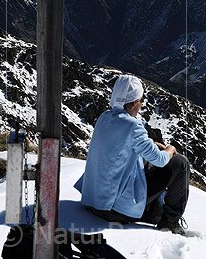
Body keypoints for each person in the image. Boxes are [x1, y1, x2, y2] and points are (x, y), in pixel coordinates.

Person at [69, 76, 161, 230]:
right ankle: (169, 222)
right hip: (114, 211)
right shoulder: (133, 125)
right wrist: (170, 150)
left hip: (92, 202)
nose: (142, 104)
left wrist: (150, 143)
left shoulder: (105, 117)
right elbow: (160, 160)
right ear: (134, 103)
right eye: (141, 100)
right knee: (180, 164)